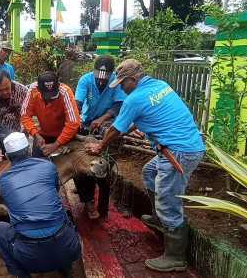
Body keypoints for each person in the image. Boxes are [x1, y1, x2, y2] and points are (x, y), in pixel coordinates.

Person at [85, 59, 205, 272]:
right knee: (149, 172)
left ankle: (176, 257)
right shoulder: (160, 86)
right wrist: (126, 129)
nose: (121, 87)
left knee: (169, 201)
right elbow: (135, 122)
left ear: (133, 79)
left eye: (122, 83)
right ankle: (159, 218)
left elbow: (114, 130)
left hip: (178, 153)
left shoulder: (135, 99)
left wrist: (100, 147)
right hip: (185, 146)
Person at [0, 132, 82, 278]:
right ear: (28, 152)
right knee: (58, 207)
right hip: (69, 249)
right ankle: (65, 268)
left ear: (7, 157)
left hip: (30, 259)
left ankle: (22, 275)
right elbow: (55, 189)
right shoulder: (47, 166)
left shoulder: (2, 180)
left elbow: (13, 203)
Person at [73, 54, 127, 219]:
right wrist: (75, 121)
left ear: (112, 74)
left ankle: (99, 201)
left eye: (105, 79)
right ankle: (87, 198)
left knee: (104, 169)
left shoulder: (117, 83)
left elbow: (118, 106)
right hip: (86, 122)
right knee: (84, 163)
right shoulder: (85, 80)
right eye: (98, 78)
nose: (101, 81)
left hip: (108, 125)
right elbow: (78, 103)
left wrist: (101, 119)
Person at [20, 71, 80, 158]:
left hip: (65, 134)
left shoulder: (65, 91)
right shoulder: (33, 89)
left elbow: (73, 122)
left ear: (58, 85)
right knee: (36, 162)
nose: (49, 100)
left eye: (53, 96)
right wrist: (35, 135)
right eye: (46, 96)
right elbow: (25, 115)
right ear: (38, 88)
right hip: (44, 134)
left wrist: (56, 144)